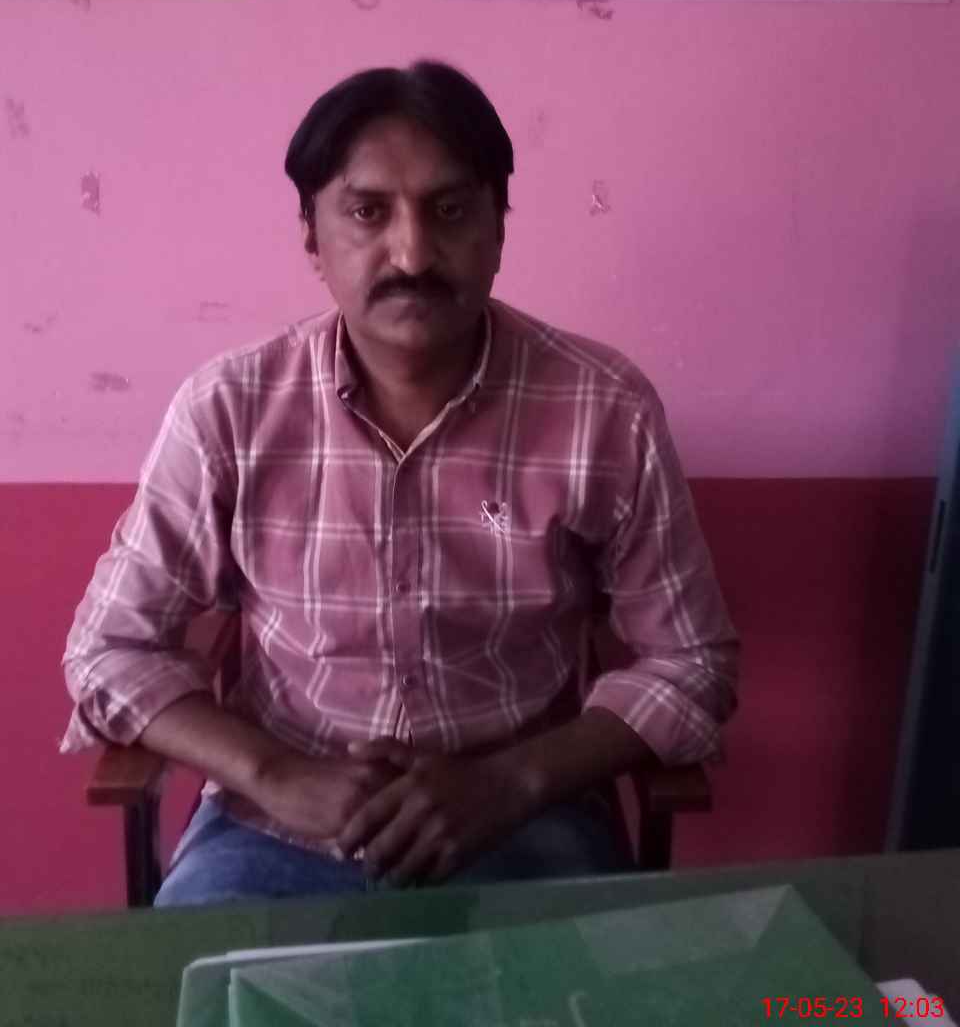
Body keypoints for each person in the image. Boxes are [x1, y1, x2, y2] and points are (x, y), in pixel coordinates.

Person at [61, 60, 740, 906]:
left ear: (499, 229)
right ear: (311, 237)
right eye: (367, 212)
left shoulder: (603, 410)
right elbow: (108, 650)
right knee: (205, 976)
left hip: (524, 815)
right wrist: (275, 773)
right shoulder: (229, 409)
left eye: (450, 211)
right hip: (279, 823)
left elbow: (694, 661)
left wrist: (510, 782)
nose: (413, 253)